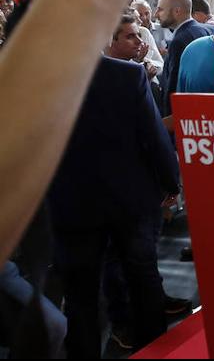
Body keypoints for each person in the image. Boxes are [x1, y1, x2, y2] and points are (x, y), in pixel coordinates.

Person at [48, 50, 180, 357]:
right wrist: (170, 183)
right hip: (130, 199)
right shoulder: (127, 75)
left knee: (80, 293)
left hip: (69, 203)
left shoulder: (34, 80)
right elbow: (154, 136)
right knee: (143, 278)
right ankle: (154, 350)